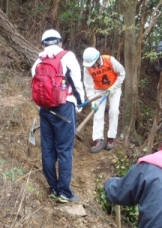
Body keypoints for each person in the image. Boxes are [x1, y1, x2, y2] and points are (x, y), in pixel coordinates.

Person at [31, 29, 85, 203]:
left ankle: (53, 187)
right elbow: (77, 83)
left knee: (47, 150)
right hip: (64, 109)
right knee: (64, 151)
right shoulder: (67, 57)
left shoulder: (38, 61)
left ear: (43, 44)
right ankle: (64, 192)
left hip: (45, 110)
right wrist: (79, 104)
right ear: (60, 42)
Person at [82, 47, 126, 153]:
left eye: (93, 64)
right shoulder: (87, 68)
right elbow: (88, 87)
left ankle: (111, 138)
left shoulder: (109, 60)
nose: (92, 67)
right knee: (97, 113)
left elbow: (122, 73)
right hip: (99, 90)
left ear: (98, 59)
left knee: (114, 111)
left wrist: (114, 87)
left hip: (114, 88)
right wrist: (93, 102)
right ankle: (98, 140)